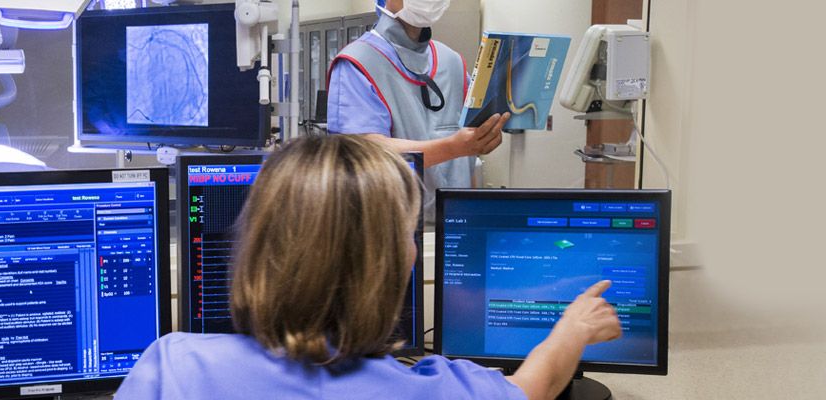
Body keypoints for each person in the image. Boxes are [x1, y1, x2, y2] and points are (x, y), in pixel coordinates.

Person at [115, 135, 622, 400]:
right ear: (393, 265)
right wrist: (571, 331)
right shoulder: (434, 388)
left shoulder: (173, 367)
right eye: (406, 234)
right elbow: (531, 389)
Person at [327, 0, 509, 222]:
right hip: (391, 230)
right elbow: (365, 151)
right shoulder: (357, 63)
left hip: (455, 223)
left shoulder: (451, 61)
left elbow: (467, 161)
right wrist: (453, 147)